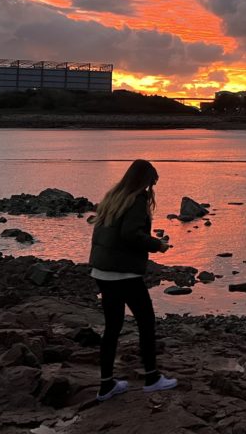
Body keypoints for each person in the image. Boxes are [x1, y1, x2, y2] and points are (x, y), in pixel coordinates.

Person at [89, 159, 178, 401]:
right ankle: (152, 378)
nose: (151, 190)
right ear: (144, 180)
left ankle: (106, 385)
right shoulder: (136, 200)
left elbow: (103, 233)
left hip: (102, 272)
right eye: (151, 183)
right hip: (124, 274)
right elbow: (131, 234)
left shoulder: (113, 197)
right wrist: (157, 245)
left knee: (112, 328)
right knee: (146, 323)